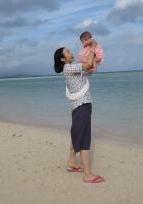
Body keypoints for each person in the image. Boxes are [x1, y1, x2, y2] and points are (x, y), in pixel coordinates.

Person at [54, 40, 105, 184]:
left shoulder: (73, 69)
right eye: (68, 52)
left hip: (81, 107)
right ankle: (87, 174)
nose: (71, 53)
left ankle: (72, 162)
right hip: (82, 106)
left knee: (77, 134)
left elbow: (88, 70)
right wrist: (93, 48)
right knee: (84, 141)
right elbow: (87, 65)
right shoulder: (69, 68)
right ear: (63, 59)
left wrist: (95, 61)